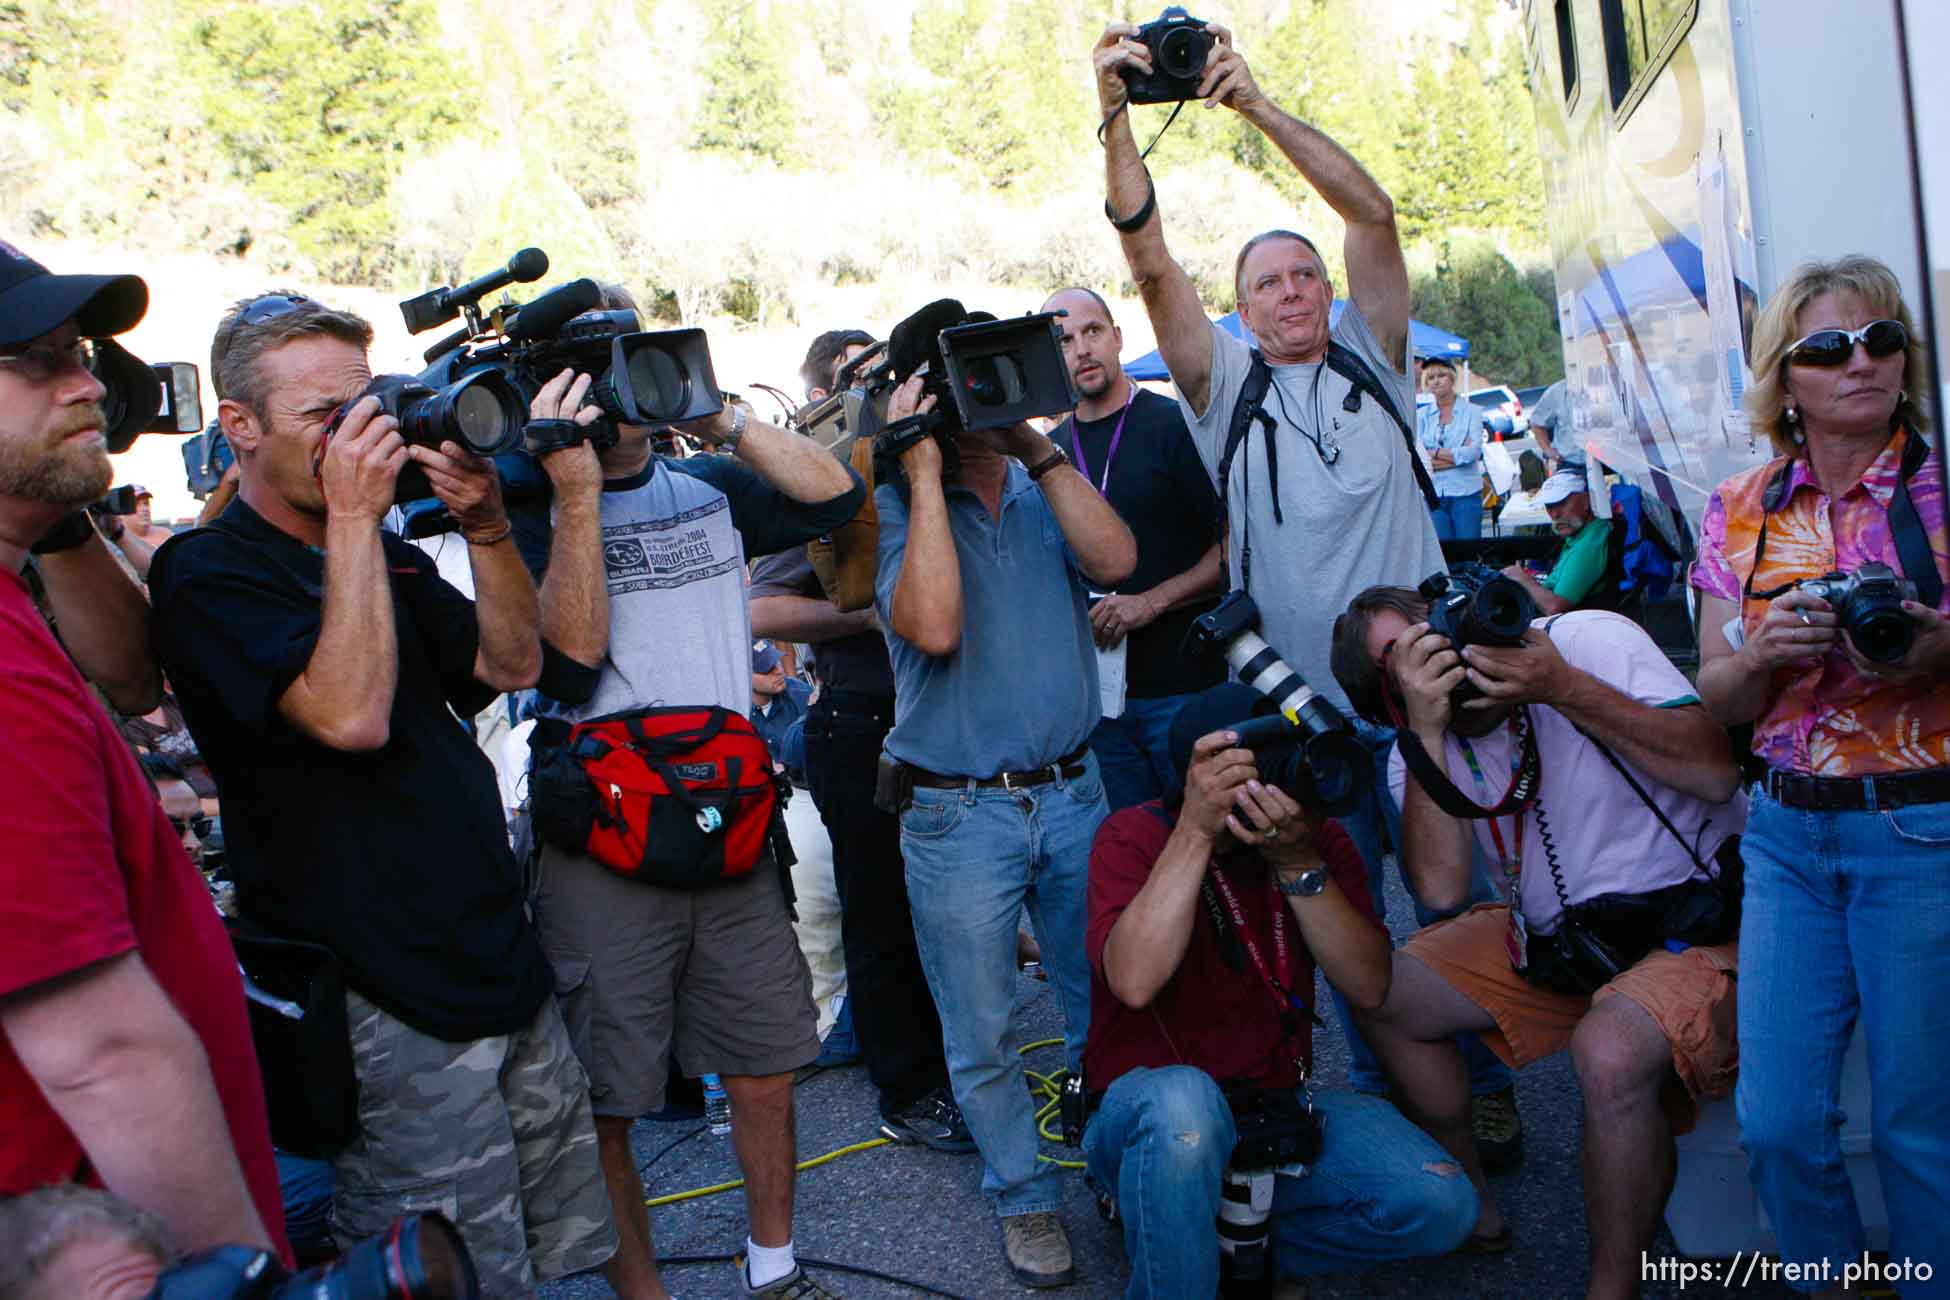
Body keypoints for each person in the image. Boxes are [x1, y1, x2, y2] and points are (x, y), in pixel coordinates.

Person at [1089, 17, 1516, 1149]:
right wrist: (1115, 121)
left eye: (1302, 275)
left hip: (1427, 681)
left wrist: (1257, 107)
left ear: (1328, 292)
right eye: (1265, 283)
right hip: (1305, 705)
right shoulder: (1222, 386)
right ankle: (1402, 1130)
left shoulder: (1374, 353)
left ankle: (1493, 1078)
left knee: (1456, 897)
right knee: (1347, 918)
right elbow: (1147, 259)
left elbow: (1371, 213)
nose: (1288, 292)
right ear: (1241, 310)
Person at [147, 291, 614, 1298]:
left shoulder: (390, 551)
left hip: (490, 949)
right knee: (440, 1273)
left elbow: (514, 660)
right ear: (239, 426)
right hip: (379, 989)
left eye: (367, 410)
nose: (357, 439)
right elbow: (348, 713)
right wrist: (358, 516)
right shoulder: (208, 571)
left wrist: (487, 527)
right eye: (325, 420)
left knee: (548, 1250)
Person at [529, 281, 863, 1300]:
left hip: (727, 820)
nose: (625, 390)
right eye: (601, 365)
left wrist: (715, 410)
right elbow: (566, 669)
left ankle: (775, 1267)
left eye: (638, 357)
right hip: (602, 840)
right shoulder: (520, 496)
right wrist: (568, 480)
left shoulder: (712, 478)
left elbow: (836, 496)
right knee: (610, 1100)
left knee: (764, 1063)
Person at [1332, 585, 1746, 1299]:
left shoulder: (1585, 641)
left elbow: (1715, 773)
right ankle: (1472, 1203)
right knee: (1379, 990)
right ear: (1388, 698)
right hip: (1566, 940)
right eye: (1406, 661)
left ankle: (1610, 1290)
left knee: (1608, 1052)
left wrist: (1561, 688)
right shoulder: (1419, 748)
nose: (1445, 657)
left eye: (1436, 632)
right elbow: (1436, 890)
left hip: (1706, 922)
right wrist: (1427, 732)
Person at [0, 242, 286, 1262]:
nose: (89, 384)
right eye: (33, 360)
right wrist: (237, 1281)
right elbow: (103, 1051)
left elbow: (129, 674)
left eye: (80, 352)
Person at [1691, 255, 1950, 1300]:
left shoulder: (1938, 490)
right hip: (1788, 839)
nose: (1865, 362)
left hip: (1919, 835)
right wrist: (1762, 656)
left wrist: (1939, 651)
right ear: (1784, 377)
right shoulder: (1740, 506)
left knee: (1920, 1129)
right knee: (1780, 1122)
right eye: (1832, 347)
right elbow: (1717, 694)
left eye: (1884, 339)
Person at [875, 322, 1136, 1285]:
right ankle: (1025, 1197)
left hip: (1074, 789)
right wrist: (922, 470)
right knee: (980, 1027)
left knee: (1103, 998)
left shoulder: (1041, 484)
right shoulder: (891, 507)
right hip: (956, 814)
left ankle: (1114, 1164)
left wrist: (1036, 445)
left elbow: (1116, 562)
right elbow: (933, 626)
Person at [1084, 684, 1478, 1298]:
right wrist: (1194, 831)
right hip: (1153, 1114)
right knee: (1186, 1112)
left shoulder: (1314, 844)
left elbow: (1370, 987)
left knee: (1440, 1202)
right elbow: (1134, 981)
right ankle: (1166, 1221)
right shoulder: (1134, 836)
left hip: (1270, 1110)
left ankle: (1205, 1240)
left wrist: (1297, 865)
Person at [750, 328, 973, 1156]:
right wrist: (880, 607)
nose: (874, 389)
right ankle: (908, 1092)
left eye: (882, 372)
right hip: (862, 719)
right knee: (881, 916)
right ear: (821, 397)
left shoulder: (923, 455)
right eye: (853, 379)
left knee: (946, 911)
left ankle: (958, 1073)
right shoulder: (817, 475)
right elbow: (761, 609)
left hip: (943, 714)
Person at [1041, 286, 1224, 811]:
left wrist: (1151, 602)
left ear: (1117, 338)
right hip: (1098, 706)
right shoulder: (1048, 452)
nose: (1082, 349)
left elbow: (1235, 548)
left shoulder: (1172, 425)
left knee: (1210, 853)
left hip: (1182, 684)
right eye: (1065, 340)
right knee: (1136, 854)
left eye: (1092, 331)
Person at [1499, 468, 1619, 615]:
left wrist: (1523, 579)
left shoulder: (1588, 546)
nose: (1554, 514)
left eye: (1561, 503)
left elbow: (1554, 608)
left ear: (1586, 500)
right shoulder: (1580, 534)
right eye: (1549, 506)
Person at [1417, 356, 1483, 541]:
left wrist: (1435, 454)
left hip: (1466, 494)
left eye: (1441, 376)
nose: (1436, 381)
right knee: (1443, 555)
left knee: (1468, 553)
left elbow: (1473, 452)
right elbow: (1419, 458)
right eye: (1430, 378)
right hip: (1434, 494)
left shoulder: (1472, 412)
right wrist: (1456, 456)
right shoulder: (1421, 416)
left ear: (1452, 378)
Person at [749, 637, 812, 782]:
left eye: (776, 662)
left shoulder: (801, 695)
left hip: (800, 786)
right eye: (767, 669)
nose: (779, 671)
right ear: (745, 676)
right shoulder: (734, 709)